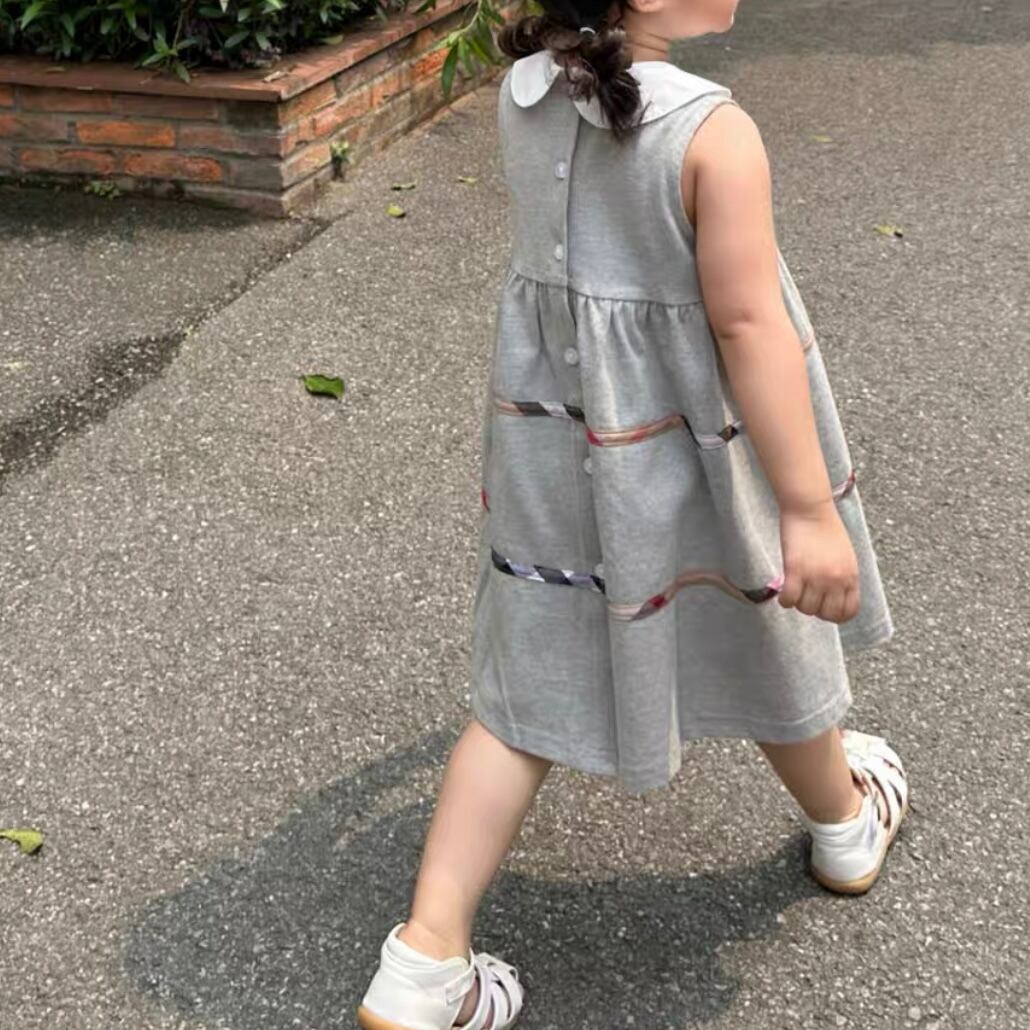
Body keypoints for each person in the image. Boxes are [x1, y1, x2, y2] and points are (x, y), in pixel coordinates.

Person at [357, 0, 910, 1025]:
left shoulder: (525, 89)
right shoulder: (713, 131)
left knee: (527, 673)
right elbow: (745, 324)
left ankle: (425, 957)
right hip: (691, 442)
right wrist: (805, 509)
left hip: (553, 434)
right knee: (761, 624)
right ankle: (842, 824)